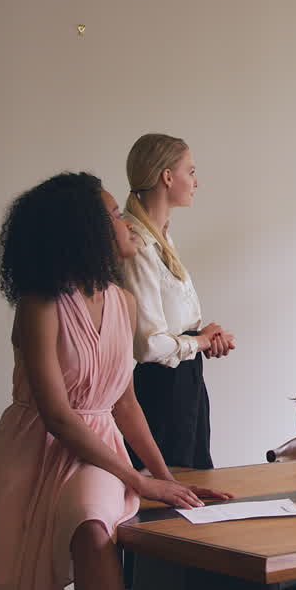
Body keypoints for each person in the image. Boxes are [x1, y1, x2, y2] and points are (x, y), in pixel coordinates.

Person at [0, 173, 232, 590]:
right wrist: (140, 479)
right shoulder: (39, 304)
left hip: (96, 452)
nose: (125, 221)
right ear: (82, 231)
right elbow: (58, 416)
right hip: (28, 452)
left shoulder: (122, 301)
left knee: (92, 523)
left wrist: (162, 474)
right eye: (112, 214)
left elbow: (124, 401)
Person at [118, 133, 234, 469]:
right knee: (172, 488)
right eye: (191, 171)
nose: (197, 182)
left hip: (186, 380)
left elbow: (171, 323)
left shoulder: (161, 236)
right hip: (162, 388)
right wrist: (198, 341)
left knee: (194, 480)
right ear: (167, 177)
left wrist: (203, 338)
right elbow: (148, 344)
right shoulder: (137, 244)